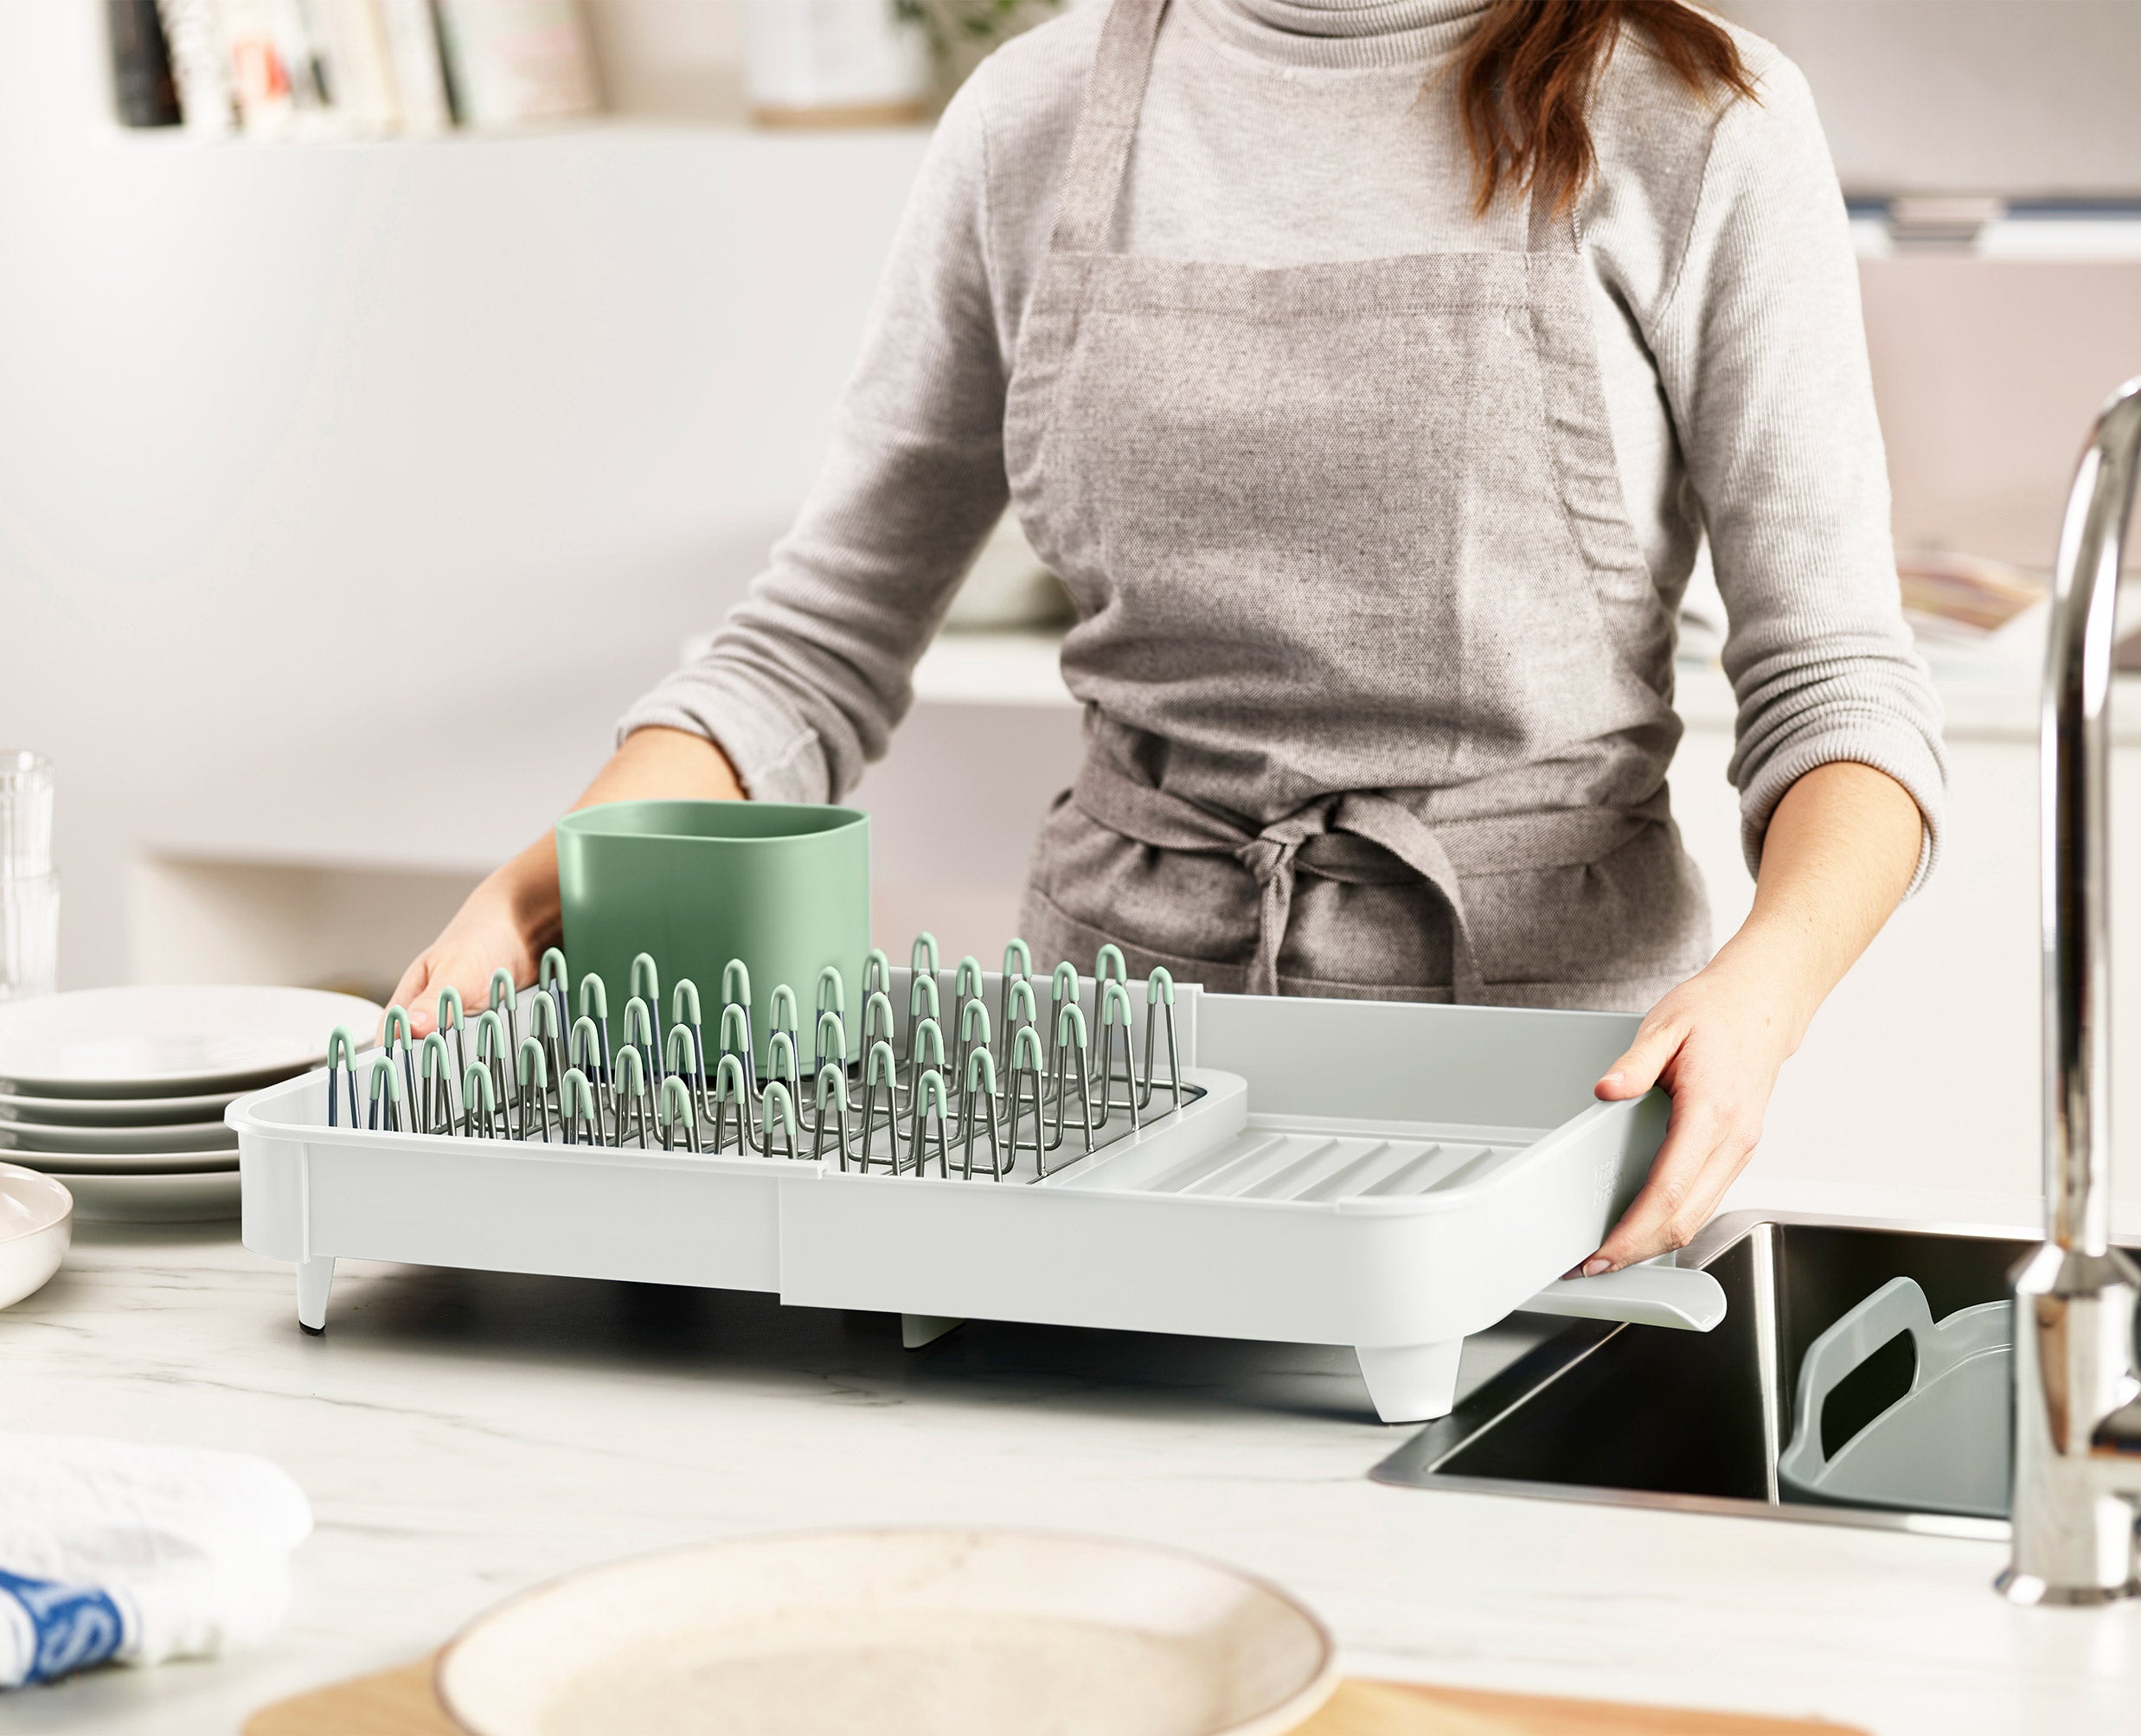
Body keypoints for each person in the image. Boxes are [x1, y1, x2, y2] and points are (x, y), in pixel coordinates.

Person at [391, 0, 1944, 1277]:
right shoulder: (1035, 115)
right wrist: (543, 881)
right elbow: (815, 638)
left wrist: (1765, 994)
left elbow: (1838, 682)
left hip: (1547, 1101)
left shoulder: (1693, 117)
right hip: (1094, 1078)